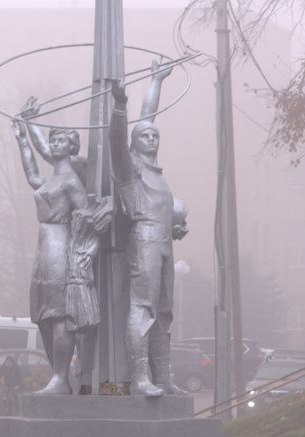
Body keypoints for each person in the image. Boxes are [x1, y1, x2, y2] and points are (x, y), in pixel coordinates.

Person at [109, 60, 188, 396]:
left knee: (165, 312)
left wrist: (157, 80)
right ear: (135, 142)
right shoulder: (131, 170)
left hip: (166, 244)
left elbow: (149, 118)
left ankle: (163, 375)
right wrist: (120, 106)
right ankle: (140, 377)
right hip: (143, 242)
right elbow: (119, 137)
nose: (152, 138)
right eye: (145, 136)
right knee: (143, 309)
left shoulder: (159, 173)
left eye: (155, 136)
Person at [12, 100, 90, 395]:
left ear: (72, 146)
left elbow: (84, 216)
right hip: (43, 247)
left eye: (62, 140)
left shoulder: (72, 180)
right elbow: (33, 176)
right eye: (54, 138)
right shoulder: (53, 178)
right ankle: (56, 375)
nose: (56, 144)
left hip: (61, 244)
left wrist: (82, 255)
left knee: (58, 314)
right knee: (42, 314)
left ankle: (60, 377)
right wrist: (23, 139)